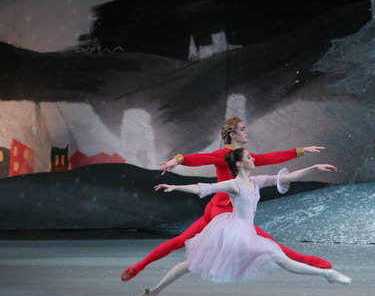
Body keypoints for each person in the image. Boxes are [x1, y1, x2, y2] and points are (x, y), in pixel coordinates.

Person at [120, 117, 332, 281]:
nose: (246, 131)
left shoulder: (242, 156)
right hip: (224, 209)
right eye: (242, 129)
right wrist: (178, 160)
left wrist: (301, 150)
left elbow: (270, 157)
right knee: (264, 240)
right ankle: (309, 261)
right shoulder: (226, 155)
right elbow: (201, 158)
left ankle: (140, 265)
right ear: (232, 134)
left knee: (178, 241)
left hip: (215, 207)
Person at [133, 148, 351, 296]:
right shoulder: (233, 184)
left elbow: (289, 176)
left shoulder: (256, 181)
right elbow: (204, 188)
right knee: (192, 263)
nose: (253, 158)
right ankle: (155, 290)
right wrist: (174, 186)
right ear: (238, 163)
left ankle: (327, 274)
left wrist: (313, 167)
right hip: (230, 232)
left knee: (280, 259)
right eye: (248, 157)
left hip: (246, 233)